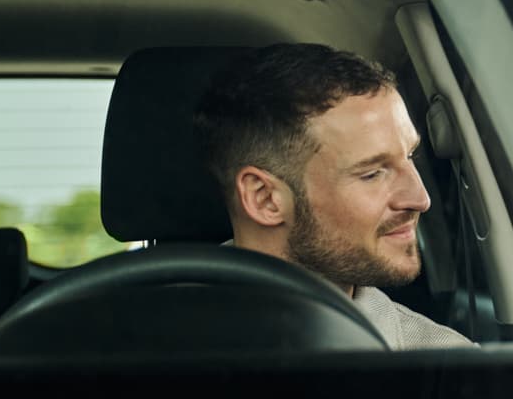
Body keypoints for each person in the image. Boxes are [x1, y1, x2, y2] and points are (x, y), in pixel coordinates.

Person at [194, 43, 472, 350]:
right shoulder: (144, 347)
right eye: (372, 173)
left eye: (410, 156)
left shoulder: (444, 365)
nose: (420, 199)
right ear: (265, 198)